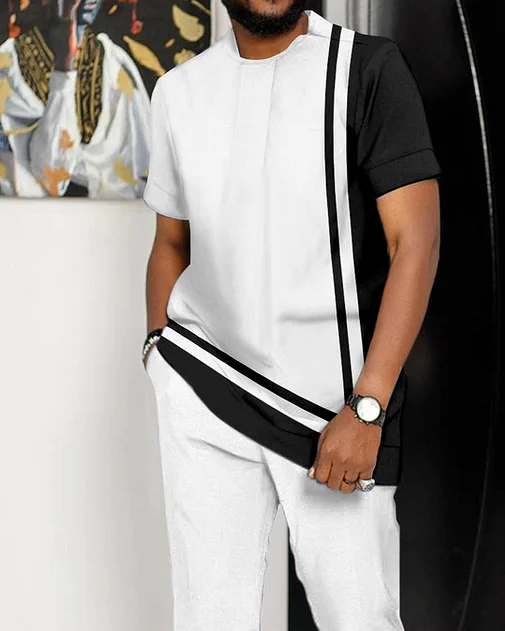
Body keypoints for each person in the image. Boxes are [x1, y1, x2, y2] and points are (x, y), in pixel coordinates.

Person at [142, 2, 441, 629]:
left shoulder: (367, 69)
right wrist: (158, 357)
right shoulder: (178, 92)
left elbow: (415, 243)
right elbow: (171, 240)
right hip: (206, 389)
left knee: (359, 618)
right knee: (207, 621)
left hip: (334, 414)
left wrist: (368, 407)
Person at [0, 0, 150, 197]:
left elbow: (141, 170)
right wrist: (64, 70)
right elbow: (51, 177)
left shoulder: (114, 63)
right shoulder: (8, 66)